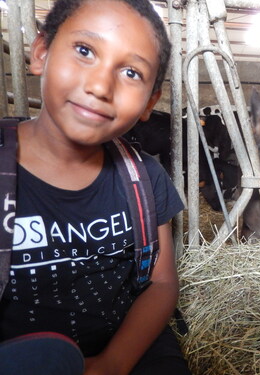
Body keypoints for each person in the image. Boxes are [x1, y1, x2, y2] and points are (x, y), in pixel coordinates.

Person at [0, 0, 191, 374]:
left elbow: (162, 284)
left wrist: (113, 364)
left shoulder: (145, 177)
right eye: (85, 51)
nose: (101, 86)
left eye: (132, 73)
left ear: (151, 101)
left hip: (129, 346)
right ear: (41, 53)